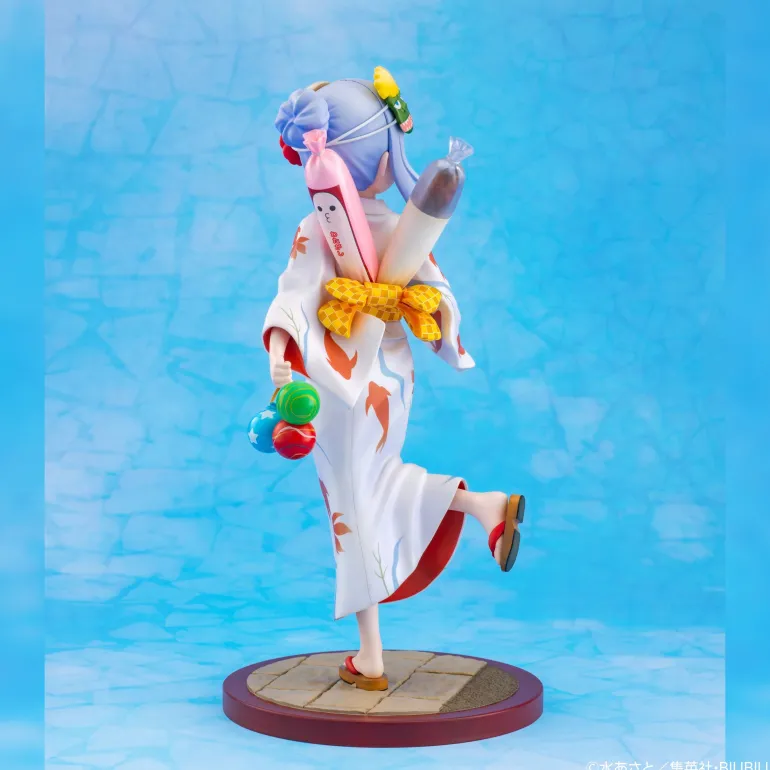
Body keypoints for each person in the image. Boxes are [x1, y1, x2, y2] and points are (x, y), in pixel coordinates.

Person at [263, 73, 526, 692]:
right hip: (392, 377)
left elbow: (294, 296)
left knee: (351, 503)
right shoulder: (396, 224)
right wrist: (428, 317)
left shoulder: (317, 225)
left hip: (338, 382)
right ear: (385, 158)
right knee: (378, 480)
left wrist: (280, 351)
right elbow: (437, 294)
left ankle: (371, 658)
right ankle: (483, 505)